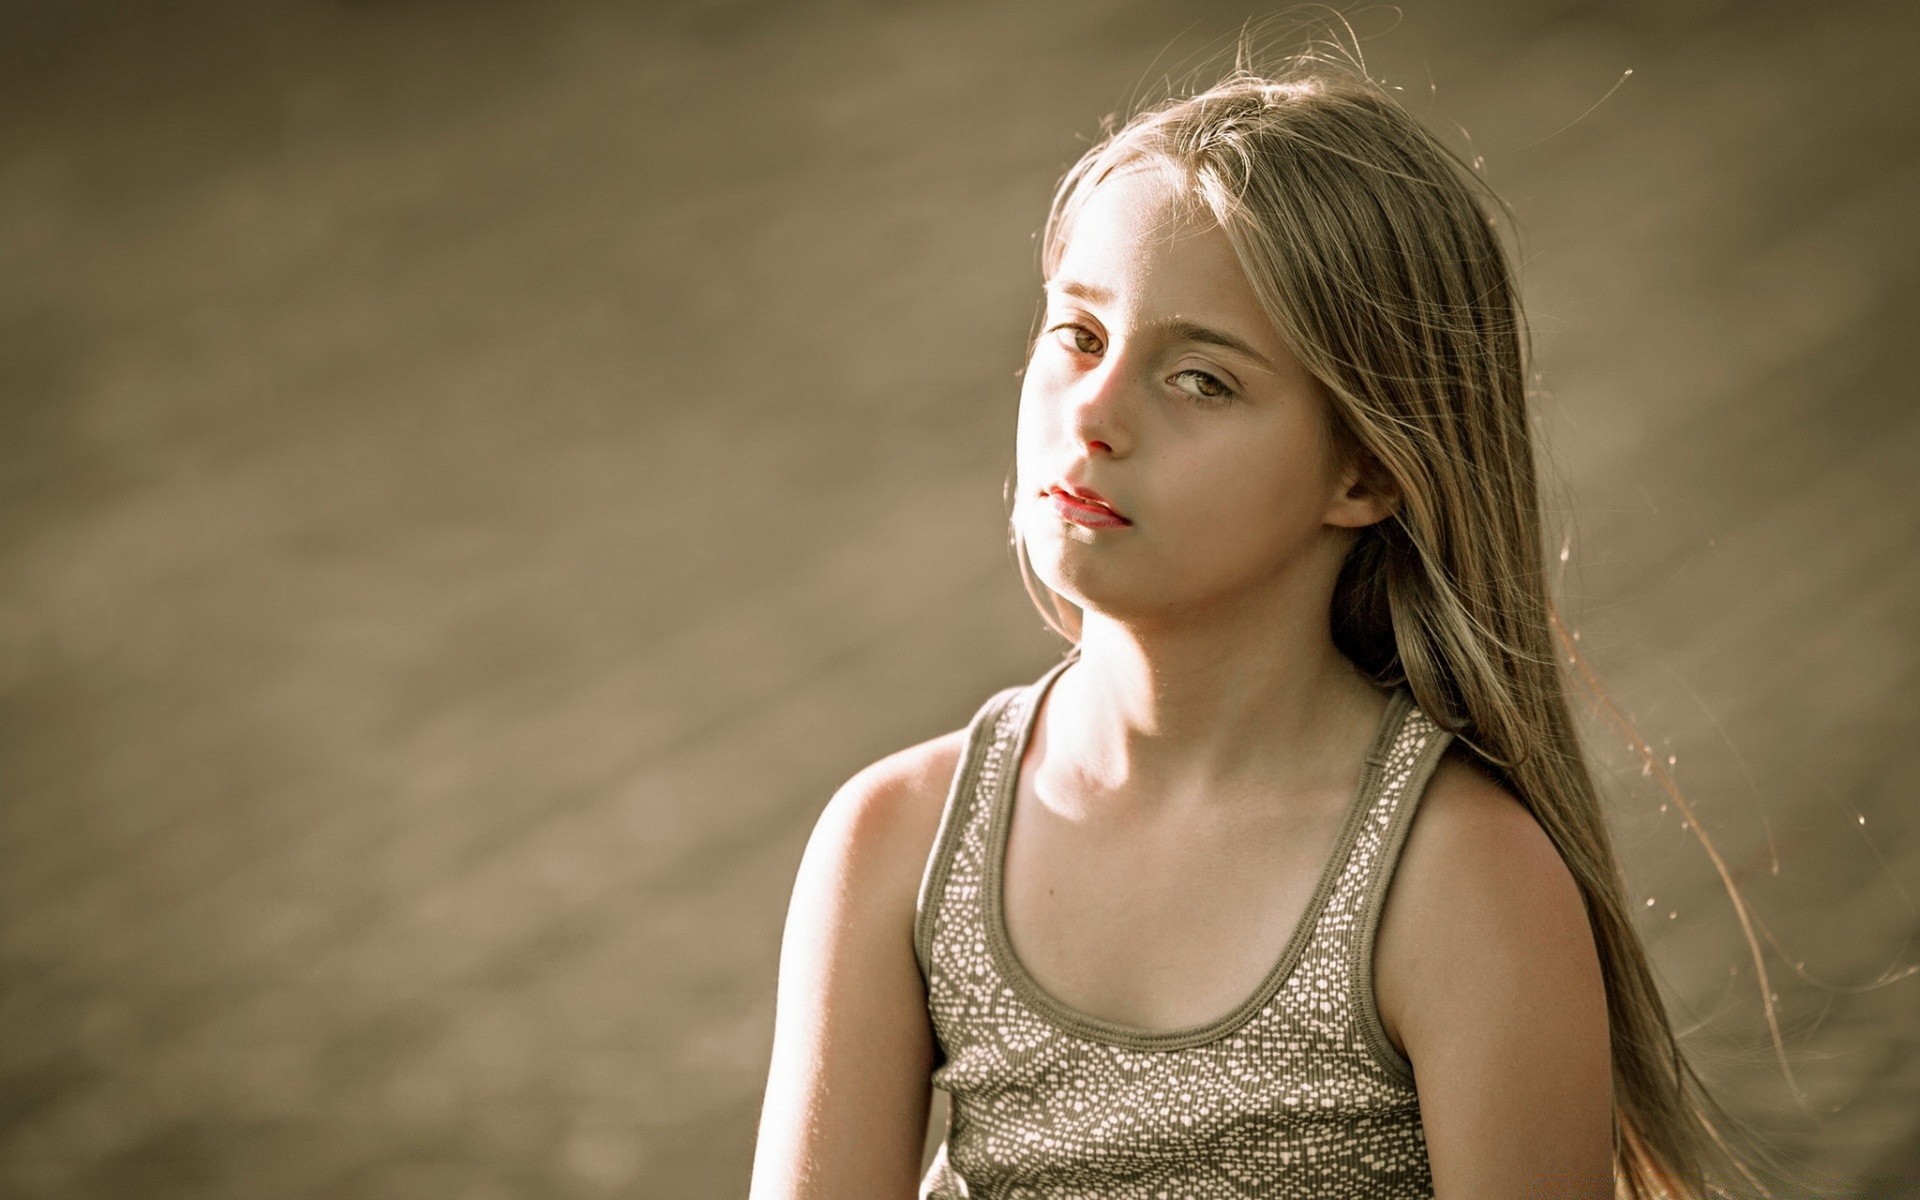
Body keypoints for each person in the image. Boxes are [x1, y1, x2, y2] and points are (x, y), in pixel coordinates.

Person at [748, 51, 1746, 1200]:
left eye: (1202, 381)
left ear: (1366, 471)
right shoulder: (899, 845)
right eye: (1078, 335)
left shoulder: (1461, 887)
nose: (1096, 414)